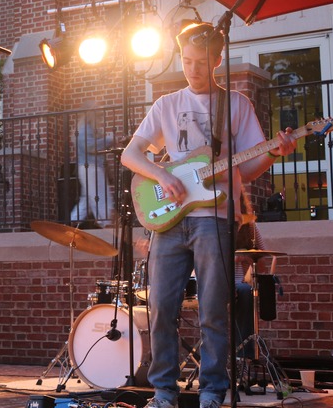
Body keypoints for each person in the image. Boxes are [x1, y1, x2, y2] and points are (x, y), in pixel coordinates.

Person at [120, 22, 296, 408]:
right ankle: (164, 391)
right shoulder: (166, 104)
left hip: (215, 218)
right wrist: (162, 174)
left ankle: (213, 390)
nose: (192, 70)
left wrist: (274, 152)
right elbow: (130, 155)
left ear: (218, 60)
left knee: (214, 307)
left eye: (201, 62)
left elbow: (244, 168)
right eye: (186, 61)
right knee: (161, 307)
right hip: (169, 220)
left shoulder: (235, 104)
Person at [70, 99, 115, 226]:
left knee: (88, 199)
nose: (99, 117)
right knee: (100, 196)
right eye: (97, 114)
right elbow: (91, 147)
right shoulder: (84, 129)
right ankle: (106, 223)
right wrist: (109, 139)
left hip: (90, 167)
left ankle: (73, 221)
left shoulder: (88, 129)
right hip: (90, 167)